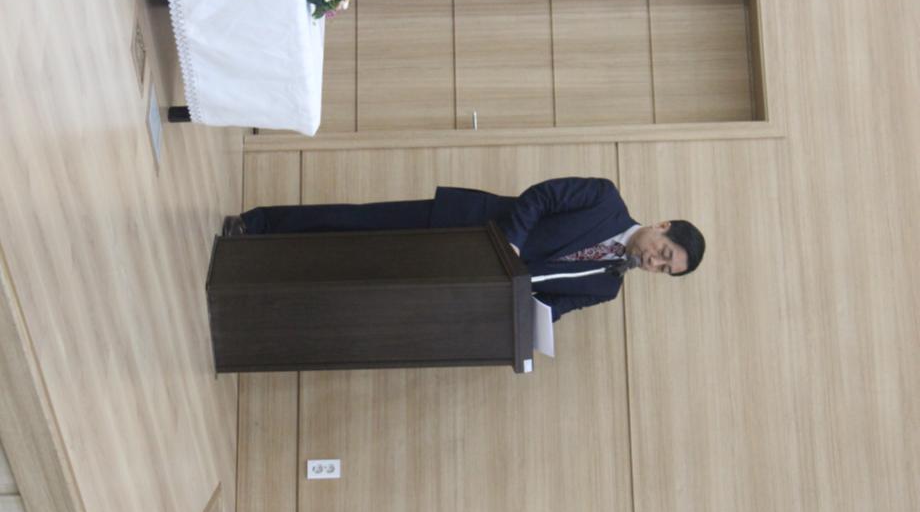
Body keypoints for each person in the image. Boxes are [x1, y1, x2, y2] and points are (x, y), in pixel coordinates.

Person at [222, 177, 705, 321]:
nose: (654, 263)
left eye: (664, 270)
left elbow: (552, 307)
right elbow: (540, 198)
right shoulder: (605, 199)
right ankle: (258, 224)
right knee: (357, 223)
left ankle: (255, 267)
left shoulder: (607, 287)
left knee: (363, 270)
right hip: (467, 225)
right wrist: (511, 245)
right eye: (664, 253)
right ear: (661, 226)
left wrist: (532, 324)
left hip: (468, 282)